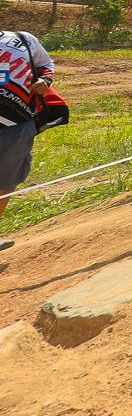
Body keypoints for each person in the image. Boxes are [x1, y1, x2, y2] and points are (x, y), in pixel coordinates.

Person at [0, 29, 54, 251]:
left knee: (5, 183)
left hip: (19, 124)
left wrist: (45, 80)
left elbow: (46, 63)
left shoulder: (23, 39)